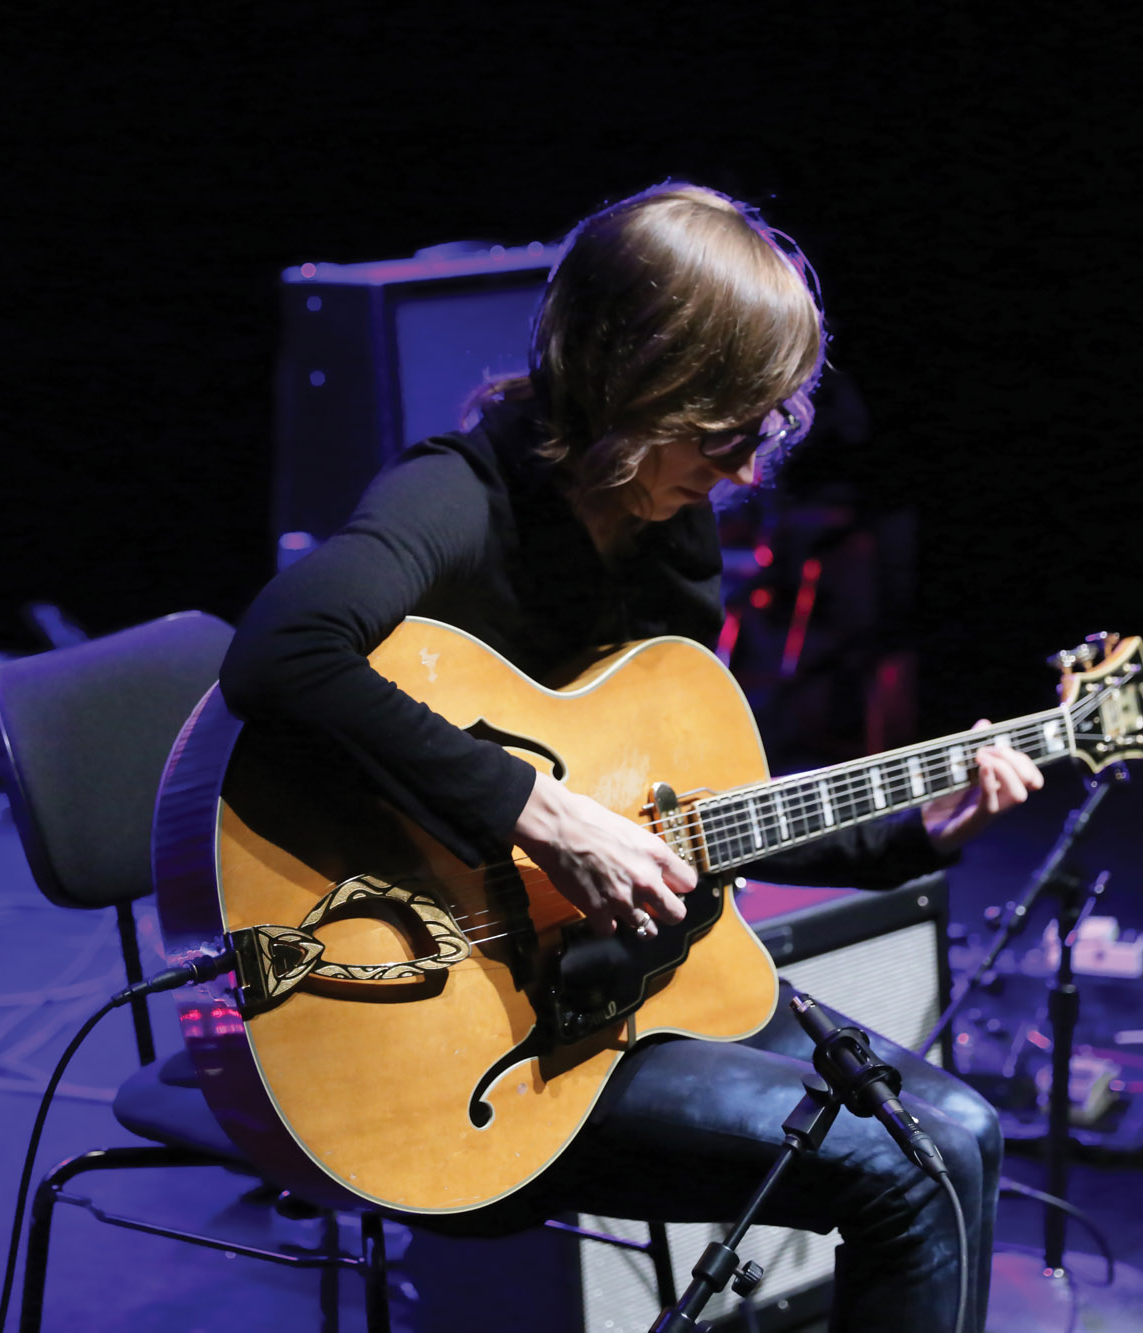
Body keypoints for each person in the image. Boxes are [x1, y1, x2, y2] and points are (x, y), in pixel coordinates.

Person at [219, 182, 1043, 1331]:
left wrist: (919, 827)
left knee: (961, 1133)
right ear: (635, 383)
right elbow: (277, 652)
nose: (747, 469)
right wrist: (537, 813)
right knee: (909, 1170)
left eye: (764, 431)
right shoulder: (454, 495)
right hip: (464, 1030)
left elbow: (692, 828)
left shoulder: (670, 537)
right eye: (724, 432)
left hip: (619, 991)